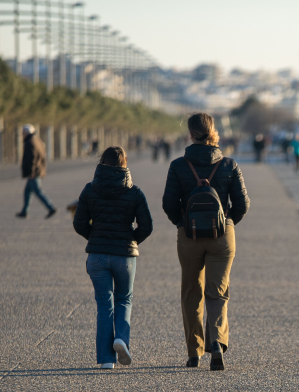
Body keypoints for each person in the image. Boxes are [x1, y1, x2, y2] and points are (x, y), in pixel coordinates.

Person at [162, 113, 250, 371]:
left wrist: (182, 223)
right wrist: (228, 222)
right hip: (222, 236)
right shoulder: (229, 165)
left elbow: (168, 203)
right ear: (213, 132)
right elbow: (243, 204)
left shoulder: (178, 165)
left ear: (190, 134)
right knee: (218, 292)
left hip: (189, 236)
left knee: (191, 291)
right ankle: (217, 345)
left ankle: (193, 352)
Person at [73, 146, 153, 370]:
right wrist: (131, 240)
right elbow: (147, 226)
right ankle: (121, 339)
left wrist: (96, 239)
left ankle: (107, 360)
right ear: (125, 164)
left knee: (104, 305)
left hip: (97, 257)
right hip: (124, 256)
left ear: (101, 163)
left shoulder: (89, 190)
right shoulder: (135, 192)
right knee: (124, 299)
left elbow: (79, 223)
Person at [16, 124, 57, 219]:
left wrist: (31, 172)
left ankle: (51, 208)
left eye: (23, 133)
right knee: (27, 191)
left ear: (27, 133)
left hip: (34, 172)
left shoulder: (30, 142)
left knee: (38, 191)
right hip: (37, 170)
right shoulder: (36, 140)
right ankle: (24, 211)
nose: (22, 134)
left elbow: (32, 159)